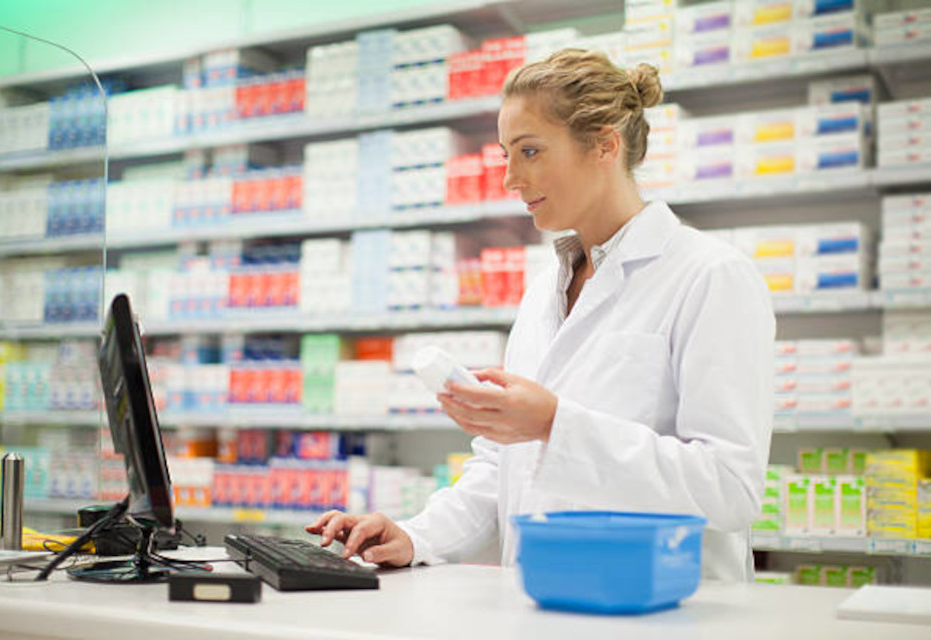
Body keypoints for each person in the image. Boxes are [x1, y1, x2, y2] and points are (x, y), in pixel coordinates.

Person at [307, 49, 775, 582]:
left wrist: (555, 424)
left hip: (666, 608)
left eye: (529, 151)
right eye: (507, 154)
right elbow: (504, 464)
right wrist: (417, 535)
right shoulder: (541, 293)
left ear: (605, 144)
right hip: (544, 600)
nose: (509, 178)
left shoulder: (710, 277)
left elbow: (730, 488)